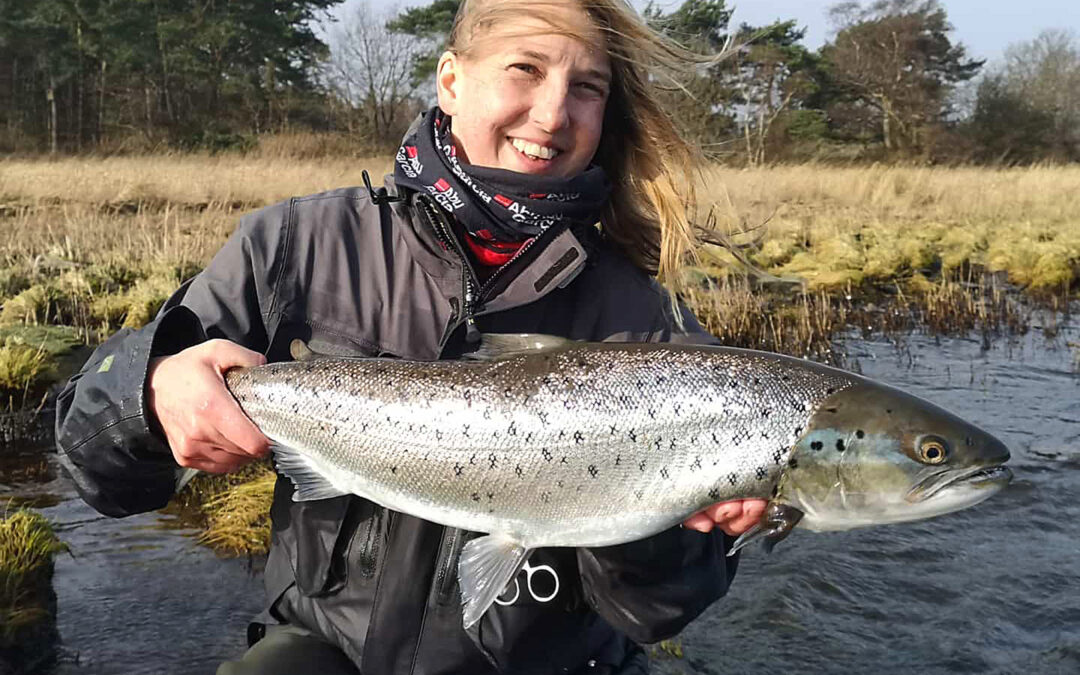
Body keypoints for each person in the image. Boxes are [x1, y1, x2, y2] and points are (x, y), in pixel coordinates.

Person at [55, 0, 767, 672]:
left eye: (586, 86)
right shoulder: (296, 246)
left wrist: (665, 519)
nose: (552, 113)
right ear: (451, 81)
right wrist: (148, 394)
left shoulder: (645, 319)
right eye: (525, 69)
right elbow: (94, 465)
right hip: (322, 652)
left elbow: (654, 611)